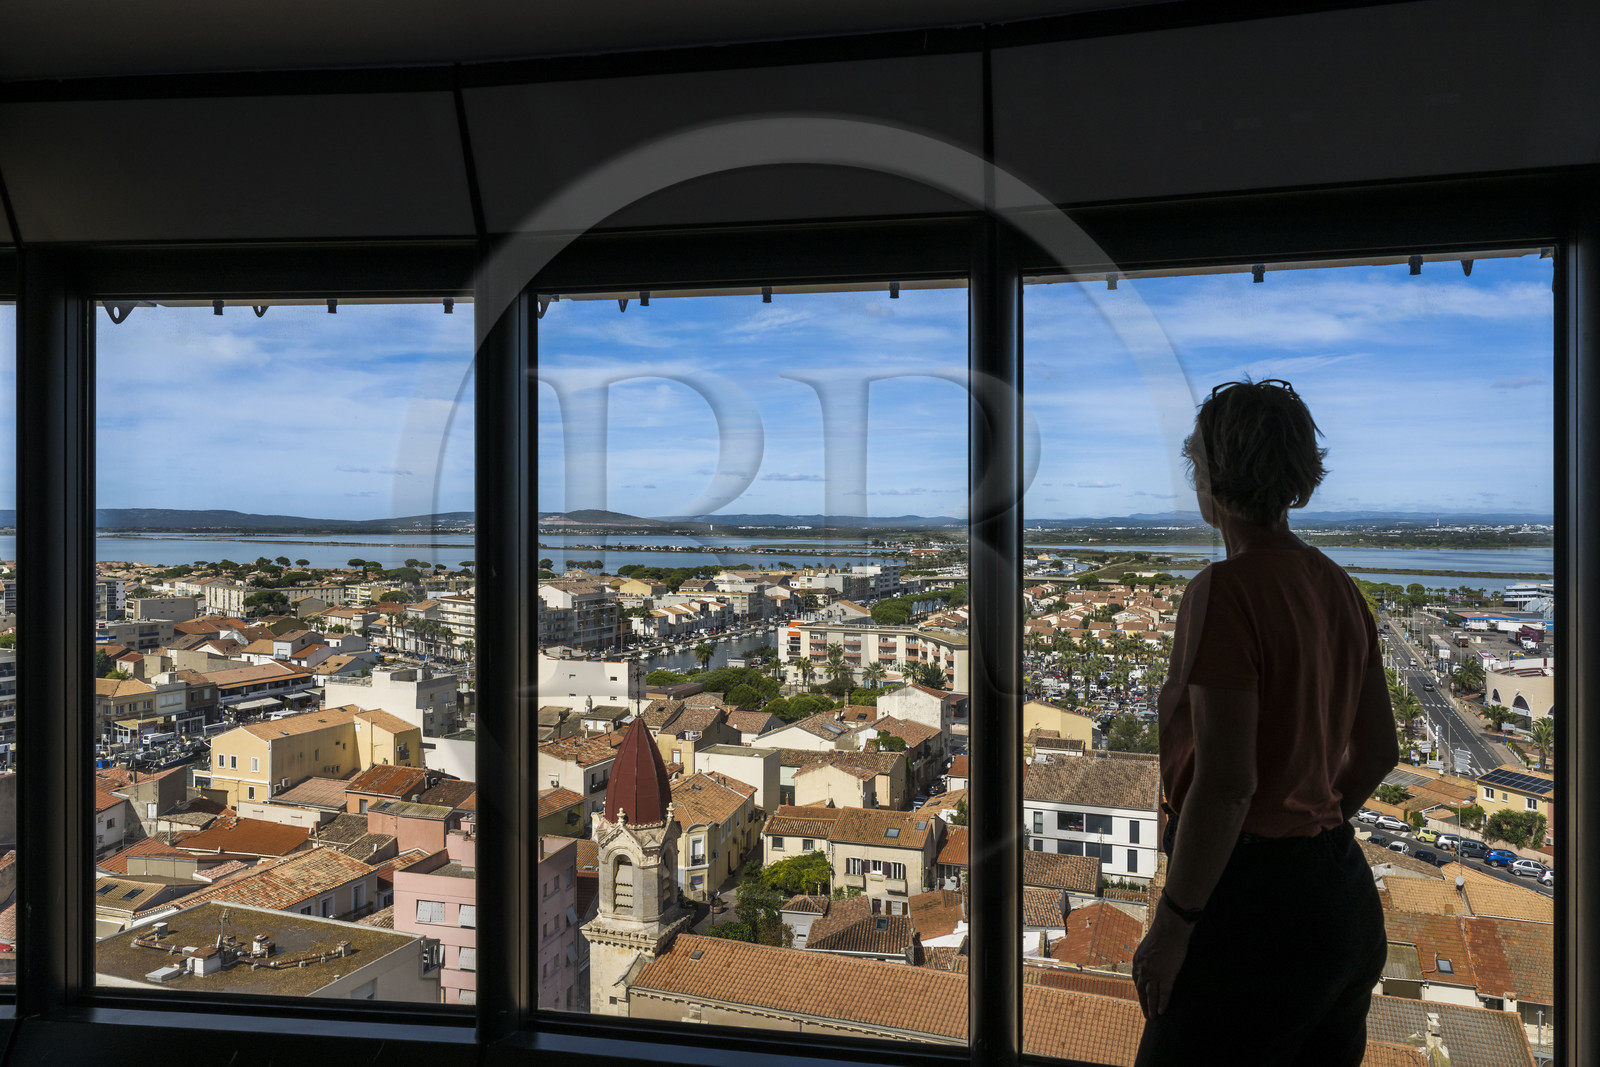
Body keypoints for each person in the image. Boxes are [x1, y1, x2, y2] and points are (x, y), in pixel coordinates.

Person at [1131, 378, 1398, 1066]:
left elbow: (1226, 785)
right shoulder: (1339, 587)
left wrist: (1175, 923)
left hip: (1251, 908)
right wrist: (1315, 814)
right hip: (1339, 897)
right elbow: (1378, 752)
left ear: (1211, 478)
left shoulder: (1223, 591)